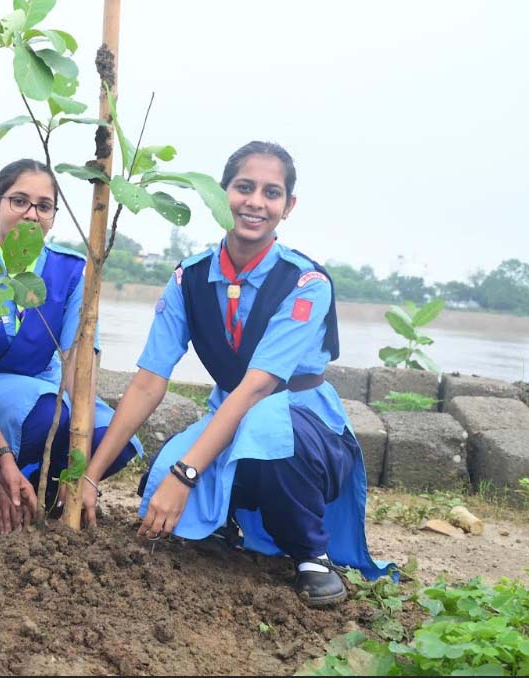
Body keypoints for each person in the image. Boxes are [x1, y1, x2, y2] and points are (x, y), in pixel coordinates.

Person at [84, 141, 389, 607]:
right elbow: (148, 381)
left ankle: (311, 553)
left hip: (303, 428)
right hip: (232, 413)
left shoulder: (306, 283)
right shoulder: (189, 278)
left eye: (272, 193)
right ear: (221, 192)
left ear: (288, 206)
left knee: (260, 434)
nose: (255, 202)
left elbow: (256, 388)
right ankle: (223, 522)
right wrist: (91, 475)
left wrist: (186, 475)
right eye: (244, 187)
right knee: (159, 478)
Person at [0, 159, 143, 534]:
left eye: (44, 206)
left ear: (54, 215)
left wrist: (82, 465)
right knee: (45, 414)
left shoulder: (71, 270)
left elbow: (78, 361)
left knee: (112, 438)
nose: (31, 214)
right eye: (19, 201)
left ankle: (45, 493)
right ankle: (0, 475)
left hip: (45, 381)